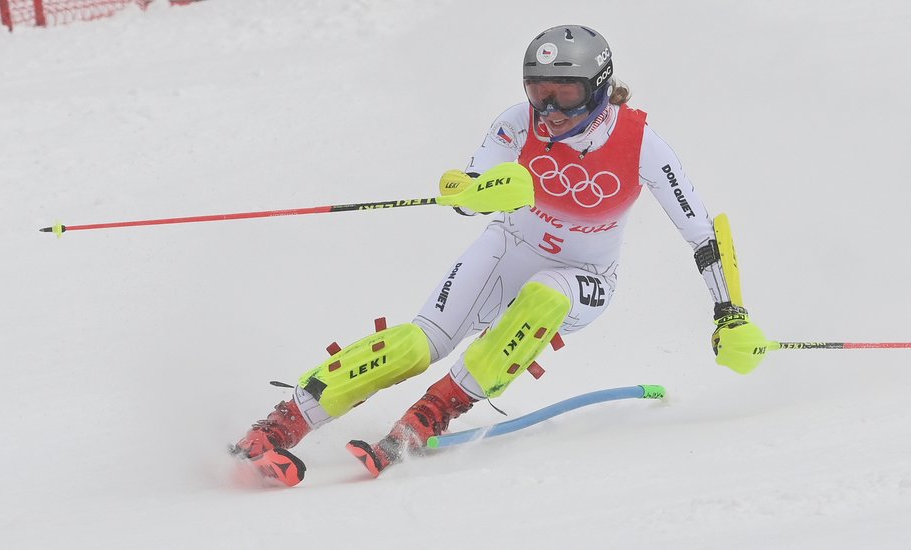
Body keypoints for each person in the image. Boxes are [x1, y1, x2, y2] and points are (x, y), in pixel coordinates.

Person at [231, 25, 767, 486]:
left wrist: (731, 312)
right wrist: (476, 191)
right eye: (539, 93)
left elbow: (701, 231)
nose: (551, 111)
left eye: (566, 95)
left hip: (584, 275)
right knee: (420, 342)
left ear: (599, 90)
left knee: (542, 298)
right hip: (507, 249)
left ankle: (431, 415)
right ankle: (279, 426)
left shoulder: (641, 141)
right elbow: (465, 185)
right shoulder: (518, 120)